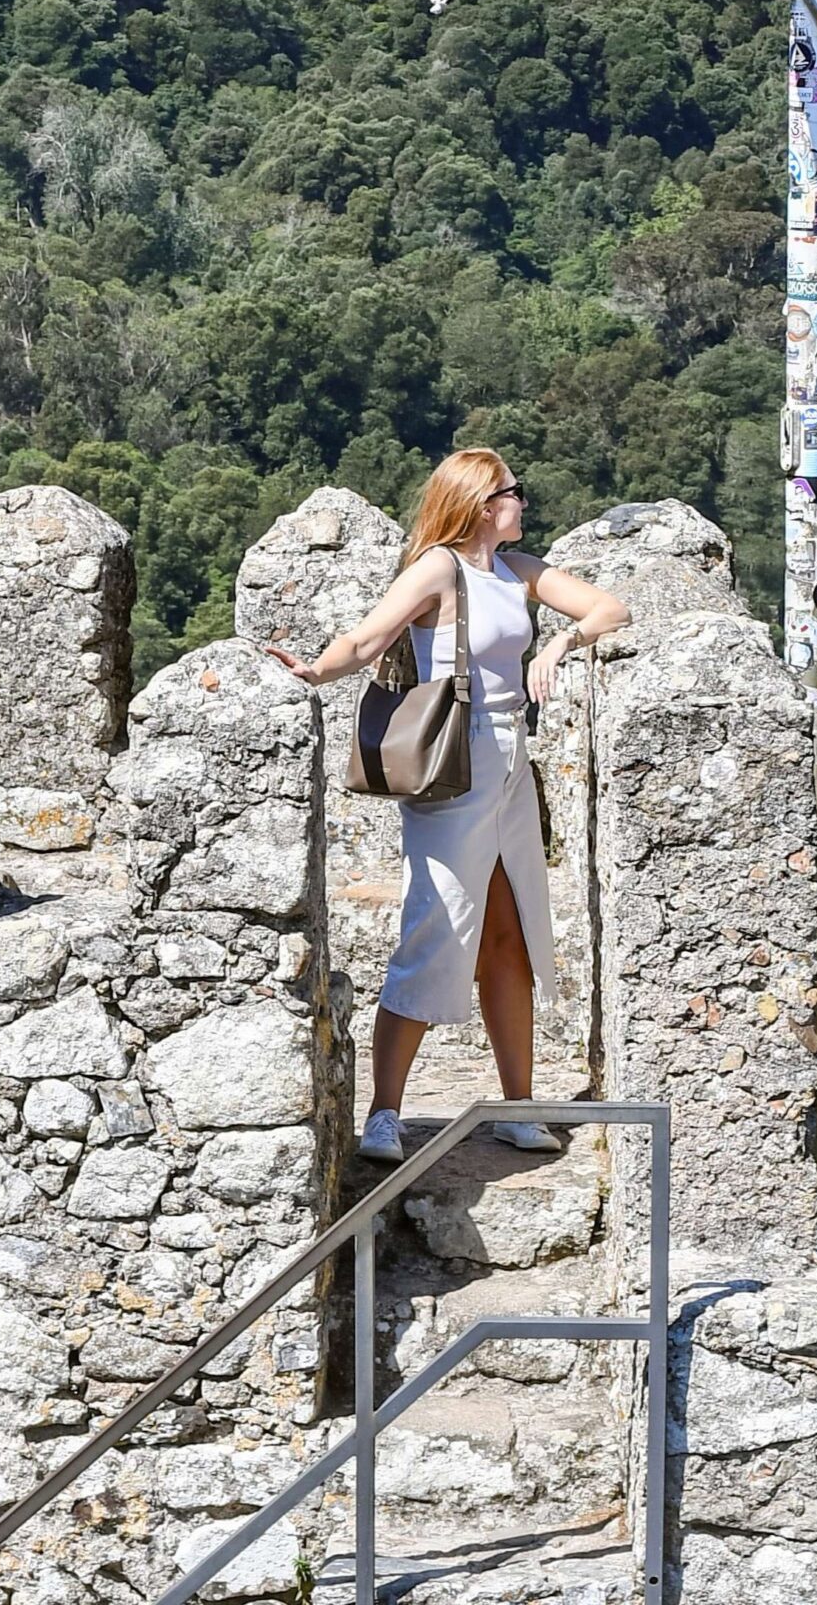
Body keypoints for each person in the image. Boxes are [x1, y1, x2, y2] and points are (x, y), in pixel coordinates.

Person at [265, 448, 630, 1163]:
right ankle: (384, 1113)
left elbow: (609, 609)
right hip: (453, 770)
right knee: (435, 933)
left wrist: (559, 644)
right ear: (481, 503)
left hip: (509, 771)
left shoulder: (518, 573)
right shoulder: (439, 568)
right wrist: (313, 672)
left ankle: (516, 1108)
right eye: (513, 493)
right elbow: (369, 638)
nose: (524, 502)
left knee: (508, 935)